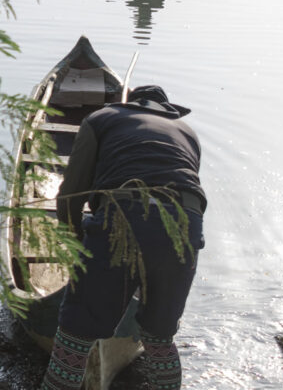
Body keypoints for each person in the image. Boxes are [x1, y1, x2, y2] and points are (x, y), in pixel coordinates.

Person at [39, 85, 206, 390]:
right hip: (186, 228)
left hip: (124, 215)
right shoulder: (187, 131)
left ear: (130, 102)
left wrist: (77, 241)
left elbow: (72, 194)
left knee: (76, 333)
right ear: (167, 108)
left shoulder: (102, 117)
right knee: (159, 334)